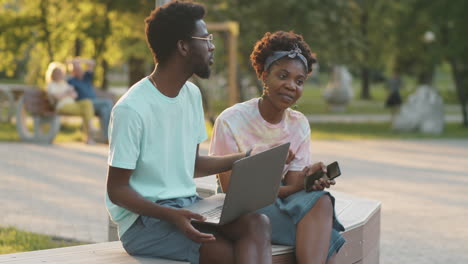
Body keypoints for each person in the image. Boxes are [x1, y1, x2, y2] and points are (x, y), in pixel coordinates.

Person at [105, 2, 273, 264]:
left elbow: (191, 165)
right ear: (183, 47)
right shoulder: (131, 109)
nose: (212, 46)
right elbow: (117, 190)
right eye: (206, 39)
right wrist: (170, 215)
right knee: (229, 255)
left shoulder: (191, 94)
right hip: (143, 222)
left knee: (257, 223)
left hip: (188, 204)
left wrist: (247, 157)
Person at [209, 31, 346, 264]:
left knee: (322, 200)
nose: (291, 86)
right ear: (264, 75)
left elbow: (292, 186)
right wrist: (272, 169)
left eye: (299, 81)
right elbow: (231, 189)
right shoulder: (231, 120)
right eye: (283, 75)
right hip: (242, 209)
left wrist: (308, 178)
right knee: (326, 239)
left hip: (281, 200)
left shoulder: (298, 123)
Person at [45, 62, 96, 144]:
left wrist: (66, 94)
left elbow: (75, 95)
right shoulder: (51, 85)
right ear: (52, 74)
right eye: (57, 73)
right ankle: (90, 135)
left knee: (87, 103)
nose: (59, 75)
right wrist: (67, 93)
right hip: (62, 106)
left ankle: (90, 131)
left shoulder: (64, 84)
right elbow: (57, 97)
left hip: (72, 105)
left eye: (60, 73)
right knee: (86, 111)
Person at [67, 58, 113, 142]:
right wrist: (72, 63)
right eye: (77, 69)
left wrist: (79, 61)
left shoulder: (86, 78)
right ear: (73, 71)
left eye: (80, 68)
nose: (80, 70)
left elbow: (92, 62)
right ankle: (107, 136)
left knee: (105, 110)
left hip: (95, 104)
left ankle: (105, 137)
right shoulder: (71, 81)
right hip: (85, 104)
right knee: (108, 103)